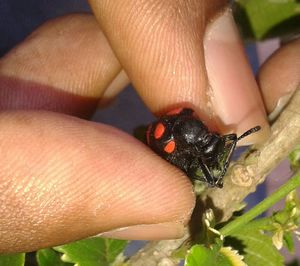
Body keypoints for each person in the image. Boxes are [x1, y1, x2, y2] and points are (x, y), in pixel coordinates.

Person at [0, 0, 299, 253]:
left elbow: (207, 149)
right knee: (193, 175)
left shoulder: (197, 131)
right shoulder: (190, 139)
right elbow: (205, 167)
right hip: (166, 157)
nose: (213, 144)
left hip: (174, 142)